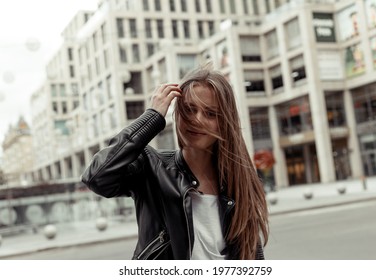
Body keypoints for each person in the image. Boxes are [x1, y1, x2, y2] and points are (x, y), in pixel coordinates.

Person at [81, 67, 269, 260]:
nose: (197, 119)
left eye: (210, 113)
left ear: (225, 121)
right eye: (189, 109)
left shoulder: (239, 179)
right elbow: (96, 177)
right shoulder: (152, 167)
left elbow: (252, 253)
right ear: (177, 113)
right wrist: (152, 116)